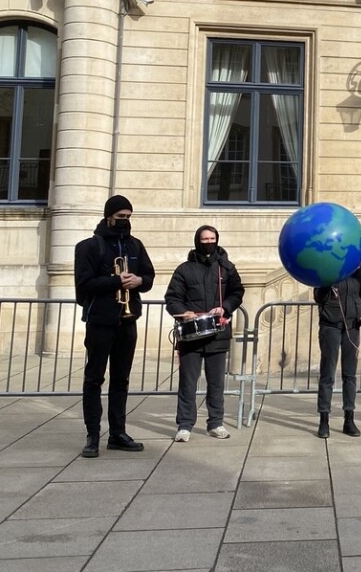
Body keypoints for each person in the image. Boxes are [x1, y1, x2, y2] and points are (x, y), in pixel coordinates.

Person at [74, 195, 155, 458]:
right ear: (109, 216)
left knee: (121, 379)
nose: (125, 222)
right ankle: (92, 435)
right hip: (100, 320)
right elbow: (84, 285)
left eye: (129, 217)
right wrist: (116, 281)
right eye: (121, 217)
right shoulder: (88, 247)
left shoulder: (136, 245)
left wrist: (139, 280)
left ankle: (117, 433)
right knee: (94, 378)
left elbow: (149, 277)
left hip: (127, 320)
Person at [165, 226, 245, 443]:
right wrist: (183, 313)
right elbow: (172, 298)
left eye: (212, 238)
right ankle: (184, 425)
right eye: (204, 239)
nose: (208, 242)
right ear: (197, 241)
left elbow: (237, 292)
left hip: (217, 335)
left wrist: (225, 307)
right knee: (188, 382)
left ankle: (215, 423)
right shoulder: (184, 269)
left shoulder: (226, 268)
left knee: (216, 383)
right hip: (191, 336)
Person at [313, 260, 361, 439]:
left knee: (350, 375)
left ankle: (349, 418)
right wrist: (328, 281)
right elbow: (319, 296)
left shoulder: (359, 269)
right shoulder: (326, 265)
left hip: (352, 325)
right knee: (328, 375)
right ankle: (324, 420)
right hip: (330, 325)